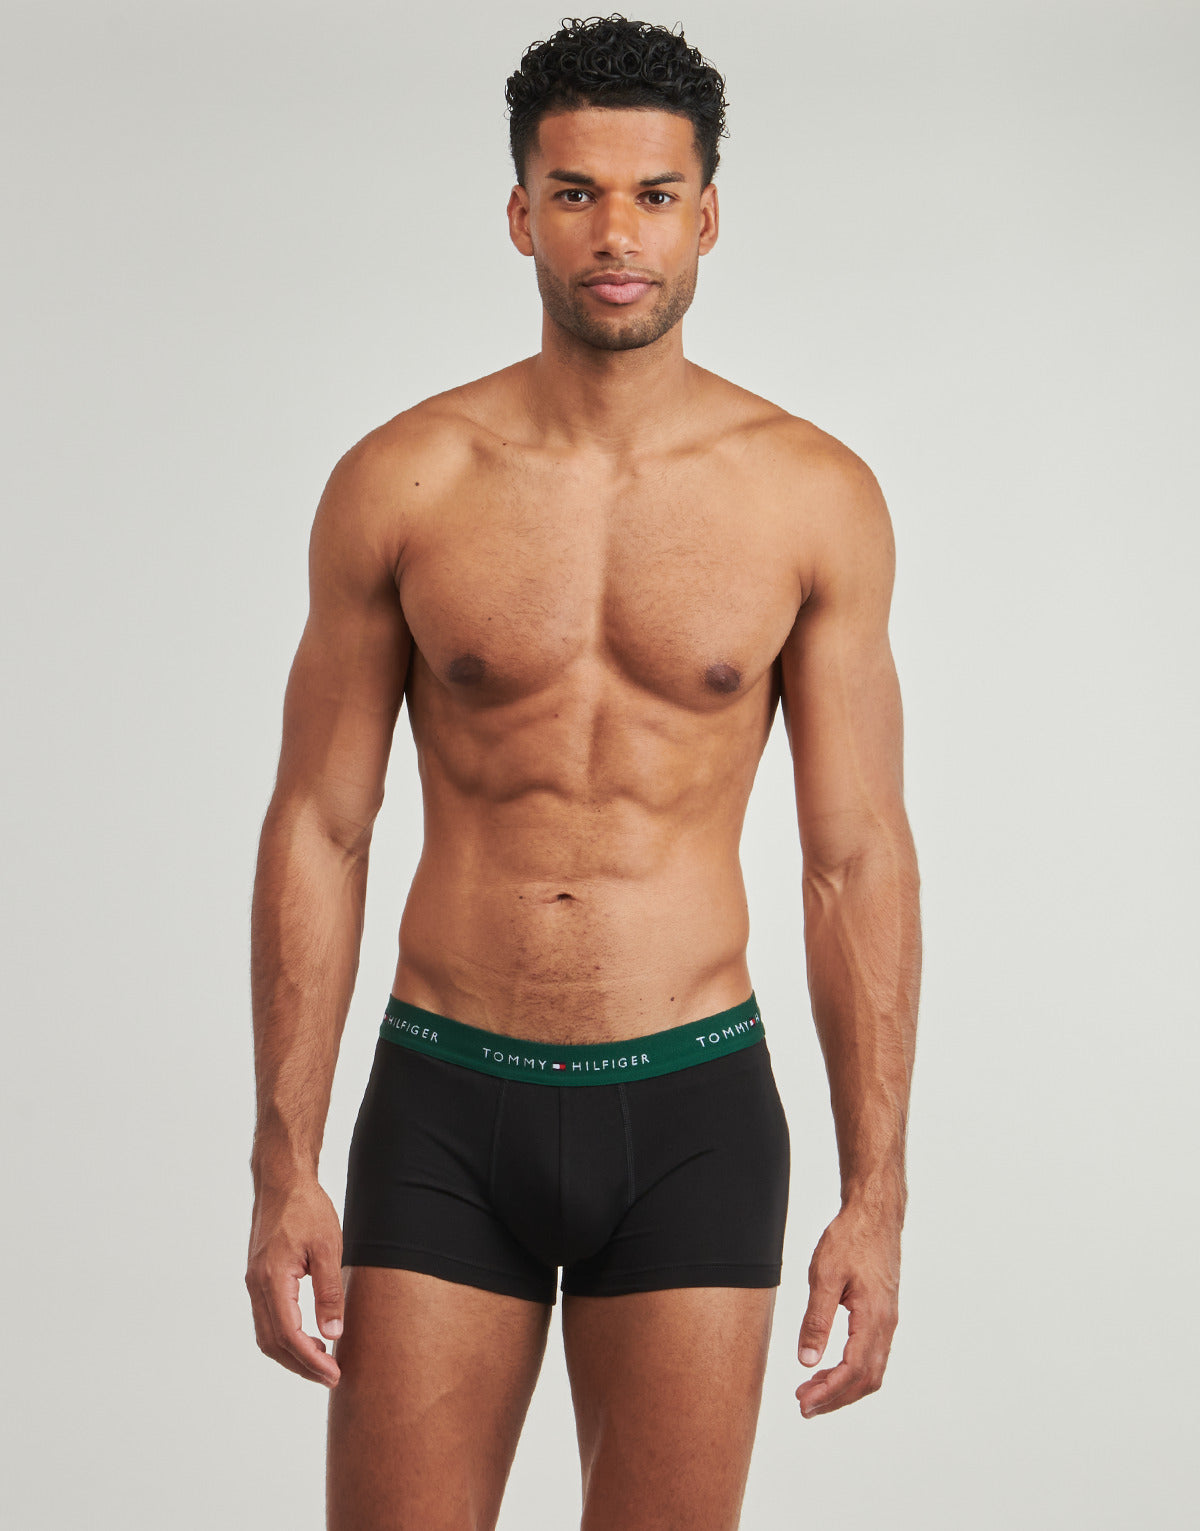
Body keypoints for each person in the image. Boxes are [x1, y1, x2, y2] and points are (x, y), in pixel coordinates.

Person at [245, 15, 921, 1530]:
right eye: (576, 193)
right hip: (445, 1098)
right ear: (520, 213)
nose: (617, 233)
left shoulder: (812, 497)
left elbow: (854, 858)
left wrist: (877, 1197)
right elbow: (320, 825)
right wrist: (283, 1165)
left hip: (693, 1106)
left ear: (708, 215)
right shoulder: (404, 480)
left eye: (655, 195)